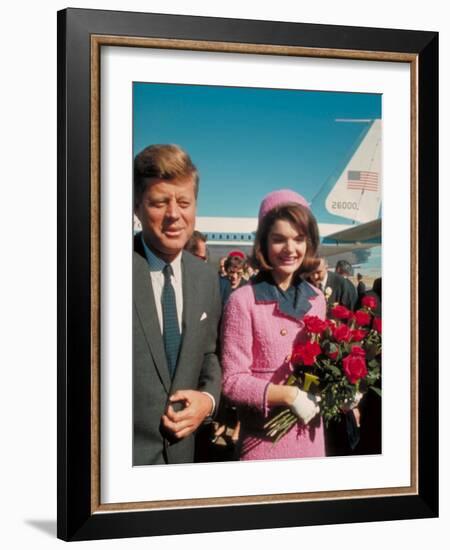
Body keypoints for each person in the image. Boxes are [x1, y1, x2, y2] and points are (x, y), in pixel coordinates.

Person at [133, 144, 222, 465]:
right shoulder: (102, 269)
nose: (174, 214)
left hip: (183, 460)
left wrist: (208, 400)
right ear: (137, 206)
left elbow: (209, 354)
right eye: (159, 202)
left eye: (184, 202)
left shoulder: (205, 277)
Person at [221, 189, 326, 461]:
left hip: (311, 438)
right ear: (264, 243)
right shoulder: (243, 300)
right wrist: (288, 395)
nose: (290, 249)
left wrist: (346, 389)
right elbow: (232, 381)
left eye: (299, 239)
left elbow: (321, 365)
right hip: (264, 441)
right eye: (279, 239)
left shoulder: (316, 300)